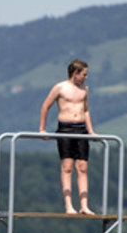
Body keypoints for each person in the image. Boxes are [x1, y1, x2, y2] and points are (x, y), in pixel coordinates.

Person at [39, 59, 97, 214]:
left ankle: (84, 206)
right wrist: (42, 129)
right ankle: (68, 206)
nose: (86, 77)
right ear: (75, 73)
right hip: (65, 129)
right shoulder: (60, 87)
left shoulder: (85, 88)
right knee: (67, 167)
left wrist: (91, 131)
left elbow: (86, 110)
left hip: (81, 129)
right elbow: (45, 106)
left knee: (83, 167)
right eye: (84, 74)